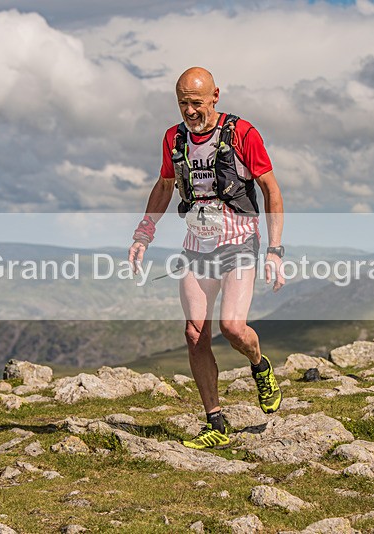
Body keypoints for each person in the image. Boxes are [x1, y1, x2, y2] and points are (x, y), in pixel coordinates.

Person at [128, 67, 285, 448]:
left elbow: (270, 190)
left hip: (239, 243)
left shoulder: (242, 133)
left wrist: (275, 250)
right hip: (197, 247)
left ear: (216, 95)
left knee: (233, 327)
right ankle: (216, 422)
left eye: (196, 102)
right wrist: (144, 233)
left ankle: (259, 366)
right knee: (195, 333)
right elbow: (165, 185)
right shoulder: (174, 138)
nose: (189, 110)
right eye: (183, 102)